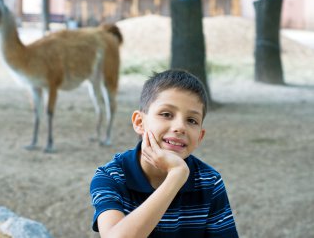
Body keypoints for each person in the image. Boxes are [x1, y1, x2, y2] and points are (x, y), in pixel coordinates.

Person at [90, 69, 239, 237]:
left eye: (192, 120)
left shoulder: (209, 181)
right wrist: (176, 176)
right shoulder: (111, 176)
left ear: (199, 137)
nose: (180, 127)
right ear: (140, 122)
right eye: (166, 114)